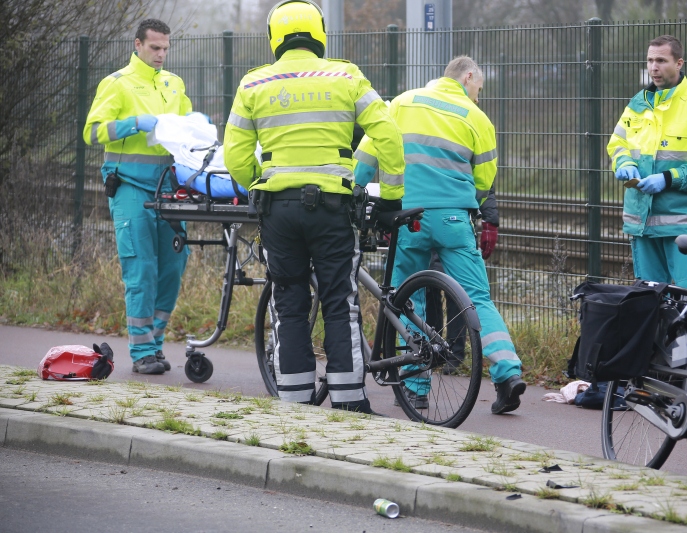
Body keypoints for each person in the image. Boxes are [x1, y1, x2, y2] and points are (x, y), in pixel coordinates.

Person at [223, 0, 404, 412]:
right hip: (333, 208)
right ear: (319, 32)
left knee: (288, 303)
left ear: (275, 37)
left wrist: (259, 181)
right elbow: (388, 134)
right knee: (340, 301)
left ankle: (295, 404)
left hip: (279, 210)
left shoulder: (253, 84)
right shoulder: (347, 75)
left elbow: (234, 153)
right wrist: (391, 195)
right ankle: (349, 403)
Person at [354, 57, 526, 415]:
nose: (479, 95)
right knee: (477, 297)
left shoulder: (402, 102)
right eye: (479, 87)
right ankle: (508, 373)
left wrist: (356, 190)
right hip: (454, 219)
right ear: (467, 77)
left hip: (408, 218)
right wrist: (466, 206)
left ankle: (415, 390)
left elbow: (368, 153)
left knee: (405, 300)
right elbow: (483, 181)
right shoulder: (477, 118)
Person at [83, 19, 196, 374]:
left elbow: (186, 129)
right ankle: (142, 351)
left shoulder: (174, 84)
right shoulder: (117, 84)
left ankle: (155, 344)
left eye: (165, 48)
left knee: (173, 268)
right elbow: (93, 132)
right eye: (155, 48)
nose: (161, 54)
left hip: (170, 188)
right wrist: (136, 123)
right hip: (130, 186)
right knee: (141, 269)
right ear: (137, 45)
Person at [607, 35, 687, 292]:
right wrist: (623, 161)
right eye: (650, 60)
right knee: (648, 302)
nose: (654, 67)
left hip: (685, 225)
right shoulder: (636, 106)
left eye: (661, 60)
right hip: (642, 221)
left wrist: (668, 178)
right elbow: (617, 143)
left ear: (679, 63)